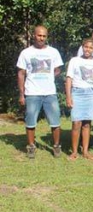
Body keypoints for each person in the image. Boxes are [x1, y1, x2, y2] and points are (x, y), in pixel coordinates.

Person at [17, 25, 64, 159]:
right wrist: (22, 94)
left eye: (44, 36)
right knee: (30, 121)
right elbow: (21, 73)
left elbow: (58, 69)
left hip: (50, 92)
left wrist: (49, 77)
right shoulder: (26, 53)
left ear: (46, 37)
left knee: (55, 121)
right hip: (32, 92)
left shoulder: (53, 52)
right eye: (39, 35)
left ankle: (56, 146)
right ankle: (31, 147)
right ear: (34, 35)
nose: (41, 38)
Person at [66, 38, 93, 160]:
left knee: (87, 124)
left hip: (91, 94)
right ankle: (74, 151)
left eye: (91, 48)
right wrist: (68, 96)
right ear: (82, 47)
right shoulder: (74, 61)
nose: (88, 50)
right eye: (86, 47)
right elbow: (69, 79)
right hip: (77, 93)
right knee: (76, 123)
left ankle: (85, 151)